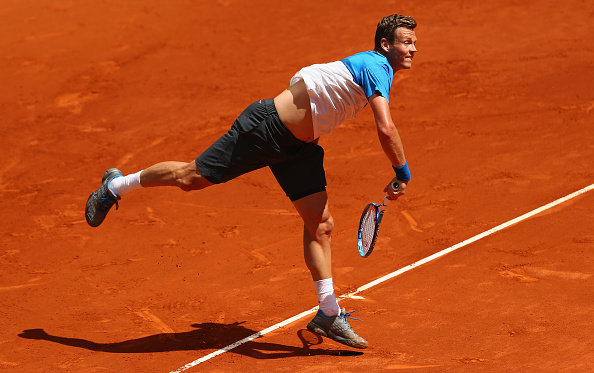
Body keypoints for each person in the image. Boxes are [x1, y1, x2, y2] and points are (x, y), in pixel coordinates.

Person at [85, 14, 417, 349]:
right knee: (191, 178)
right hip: (265, 130)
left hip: (298, 148)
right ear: (386, 44)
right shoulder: (377, 66)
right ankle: (115, 186)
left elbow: (310, 88)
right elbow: (385, 128)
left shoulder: (361, 69)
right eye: (407, 41)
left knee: (321, 224)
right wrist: (401, 172)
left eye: (415, 42)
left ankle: (328, 313)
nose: (413, 48)